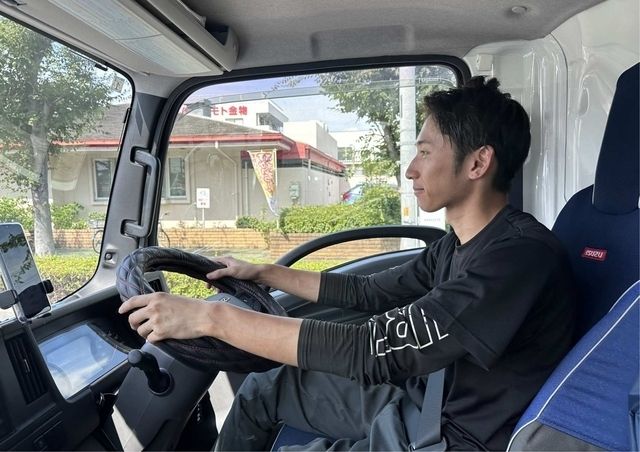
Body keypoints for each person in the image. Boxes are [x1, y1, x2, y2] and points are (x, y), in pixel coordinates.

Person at [119, 77, 576, 451]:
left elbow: (371, 349)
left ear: (478, 163)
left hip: (454, 437)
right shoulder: (454, 246)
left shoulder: (518, 258)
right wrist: (262, 272)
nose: (411, 169)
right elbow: (367, 292)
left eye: (425, 151)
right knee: (264, 389)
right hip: (421, 400)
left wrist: (211, 318)